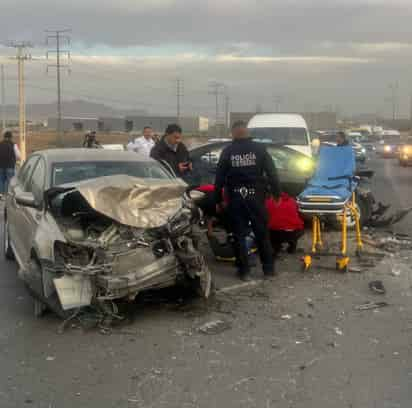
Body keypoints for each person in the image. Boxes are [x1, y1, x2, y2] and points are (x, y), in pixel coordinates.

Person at [214, 121, 281, 281]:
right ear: (247, 131)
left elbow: (219, 178)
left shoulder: (228, 151)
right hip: (256, 197)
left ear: (233, 133)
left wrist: (218, 200)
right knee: (262, 234)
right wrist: (277, 193)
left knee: (238, 235)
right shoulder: (260, 149)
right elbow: (272, 173)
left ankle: (243, 271)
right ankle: (269, 269)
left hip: (236, 198)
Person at [0, 130, 21, 199]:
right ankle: (8, 195)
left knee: (1, 180)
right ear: (11, 137)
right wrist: (17, 160)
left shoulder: (0, 144)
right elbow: (18, 155)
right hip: (10, 166)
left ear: (4, 137)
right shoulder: (13, 145)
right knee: (10, 181)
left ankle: (1, 195)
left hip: (1, 166)